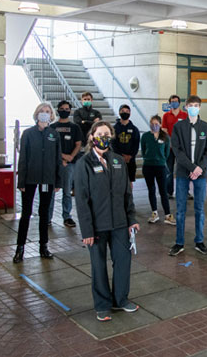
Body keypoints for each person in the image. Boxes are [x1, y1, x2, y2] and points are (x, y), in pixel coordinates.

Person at [74, 121, 140, 322]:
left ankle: (121, 299)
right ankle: (102, 305)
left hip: (119, 222)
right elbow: (81, 200)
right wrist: (87, 231)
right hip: (96, 226)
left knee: (123, 261)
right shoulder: (83, 164)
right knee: (99, 265)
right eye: (99, 134)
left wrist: (132, 219)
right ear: (92, 137)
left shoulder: (119, 161)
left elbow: (126, 194)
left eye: (107, 134)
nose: (103, 137)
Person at [14, 102, 62, 263]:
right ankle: (20, 248)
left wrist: (58, 181)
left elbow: (57, 158)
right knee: (26, 213)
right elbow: (23, 158)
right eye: (42, 111)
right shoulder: (28, 133)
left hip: (47, 179)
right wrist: (21, 180)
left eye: (48, 111)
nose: (45, 113)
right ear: (37, 114)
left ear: (51, 115)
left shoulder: (54, 134)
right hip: (29, 179)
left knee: (44, 214)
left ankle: (44, 246)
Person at [168, 95, 207, 256]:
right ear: (186, 107)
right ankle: (179, 242)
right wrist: (191, 167)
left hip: (200, 174)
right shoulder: (178, 127)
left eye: (196, 105)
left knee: (199, 209)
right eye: (191, 105)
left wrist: (199, 168)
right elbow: (177, 149)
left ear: (200, 108)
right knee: (180, 209)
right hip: (183, 172)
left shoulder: (206, 127)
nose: (194, 107)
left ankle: (199, 241)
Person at [50, 100, 82, 228]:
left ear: (70, 111)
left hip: (70, 165)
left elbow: (78, 144)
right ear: (58, 110)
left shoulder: (75, 128)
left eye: (67, 108)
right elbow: (50, 146)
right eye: (62, 108)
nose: (65, 110)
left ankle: (67, 216)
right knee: (51, 192)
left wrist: (71, 157)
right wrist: (63, 157)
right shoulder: (52, 127)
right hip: (54, 165)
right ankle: (47, 217)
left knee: (67, 192)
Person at [141, 115, 175, 225]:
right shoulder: (145, 136)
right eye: (152, 123)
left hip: (160, 167)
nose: (154, 126)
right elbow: (143, 150)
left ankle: (167, 215)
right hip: (148, 166)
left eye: (156, 124)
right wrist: (148, 157)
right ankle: (154, 213)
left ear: (160, 124)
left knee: (163, 191)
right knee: (151, 190)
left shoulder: (165, 137)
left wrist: (160, 159)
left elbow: (166, 153)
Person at [162, 95, 188, 197]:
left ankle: (184, 191)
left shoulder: (184, 115)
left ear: (179, 102)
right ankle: (169, 192)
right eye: (172, 101)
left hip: (182, 148)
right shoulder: (166, 116)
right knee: (169, 170)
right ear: (169, 103)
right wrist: (171, 142)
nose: (174, 103)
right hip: (170, 147)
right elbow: (164, 130)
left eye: (176, 101)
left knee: (183, 170)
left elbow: (187, 130)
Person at [113, 104, 140, 188]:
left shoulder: (134, 129)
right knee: (117, 181)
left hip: (130, 160)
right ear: (119, 112)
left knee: (129, 182)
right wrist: (121, 156)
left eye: (127, 111)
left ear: (130, 113)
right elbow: (113, 144)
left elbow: (136, 144)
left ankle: (129, 200)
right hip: (117, 160)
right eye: (122, 111)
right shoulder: (114, 128)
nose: (125, 113)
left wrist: (130, 156)